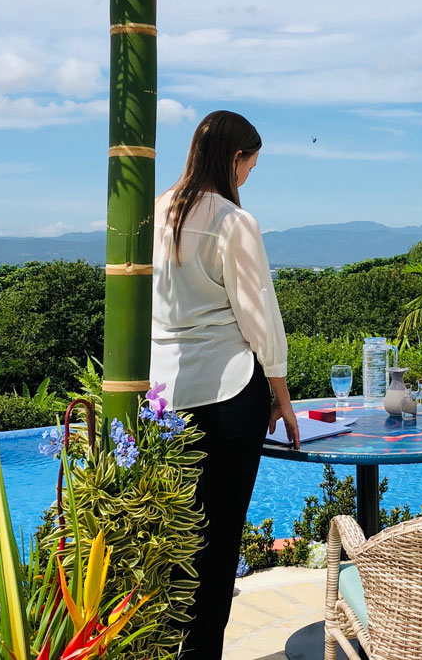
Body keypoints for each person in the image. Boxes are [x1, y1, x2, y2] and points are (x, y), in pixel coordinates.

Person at [149, 110, 300, 659]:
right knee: (217, 546)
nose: (246, 180)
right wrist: (282, 398)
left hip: (163, 399)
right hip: (229, 392)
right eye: (248, 169)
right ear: (234, 158)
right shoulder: (234, 222)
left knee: (172, 538)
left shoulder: (155, 210)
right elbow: (261, 317)